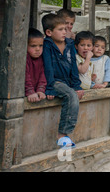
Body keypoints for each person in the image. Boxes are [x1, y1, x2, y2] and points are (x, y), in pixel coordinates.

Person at [42, 13, 83, 148]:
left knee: (74, 93)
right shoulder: (47, 45)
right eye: (60, 29)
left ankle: (64, 135)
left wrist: (77, 85)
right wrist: (49, 88)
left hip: (67, 81)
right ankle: (62, 135)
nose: (65, 32)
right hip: (55, 82)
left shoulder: (70, 44)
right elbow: (47, 68)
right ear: (49, 32)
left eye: (65, 29)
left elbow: (73, 67)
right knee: (71, 96)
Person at [25, 28, 47, 103]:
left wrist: (40, 90)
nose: (38, 49)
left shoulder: (42, 58)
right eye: (33, 46)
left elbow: (43, 75)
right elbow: (24, 76)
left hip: (35, 92)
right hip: (24, 93)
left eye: (40, 46)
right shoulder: (24, 58)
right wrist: (30, 91)